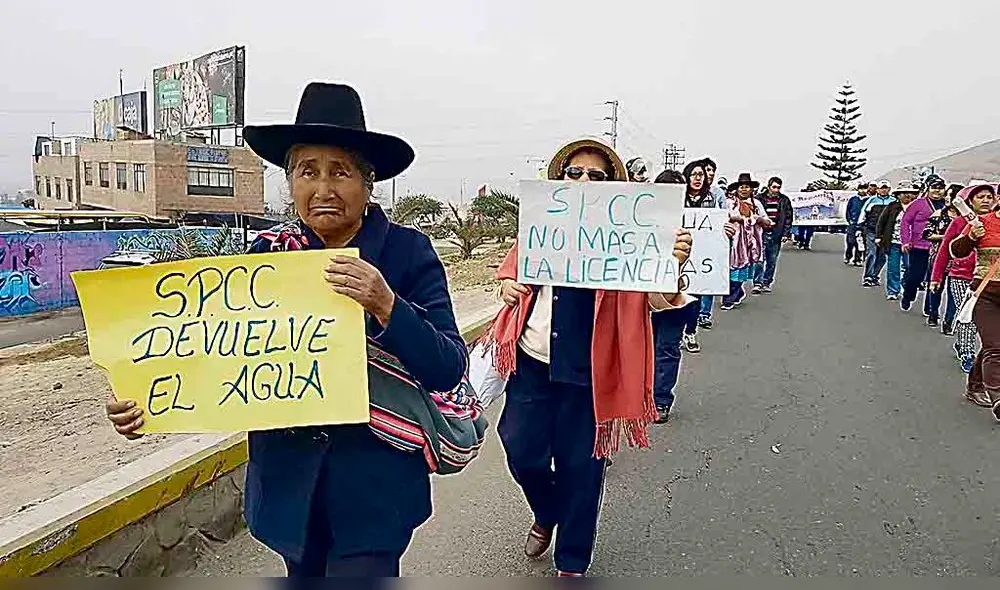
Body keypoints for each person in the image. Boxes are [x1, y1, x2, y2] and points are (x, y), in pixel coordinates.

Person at [107, 83, 472, 578]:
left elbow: (448, 365)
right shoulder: (265, 258)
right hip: (287, 491)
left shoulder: (409, 254)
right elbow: (212, 358)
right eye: (307, 172)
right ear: (291, 182)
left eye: (340, 171)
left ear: (367, 184)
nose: (323, 188)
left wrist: (387, 305)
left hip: (375, 494)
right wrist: (143, 398)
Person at [484, 138, 695, 576]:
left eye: (596, 176)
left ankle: (572, 565)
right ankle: (546, 512)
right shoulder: (540, 225)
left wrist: (670, 262)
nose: (583, 182)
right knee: (521, 451)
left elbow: (657, 299)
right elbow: (510, 276)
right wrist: (507, 289)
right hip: (531, 363)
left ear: (612, 185)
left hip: (592, 374)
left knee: (583, 470)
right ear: (559, 178)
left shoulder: (631, 237)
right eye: (574, 173)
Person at [649, 167, 700, 423]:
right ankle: (641, 396)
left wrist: (724, 237)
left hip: (678, 298)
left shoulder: (697, 222)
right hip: (645, 298)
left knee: (667, 347)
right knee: (645, 348)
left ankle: (660, 400)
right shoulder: (640, 220)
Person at [932, 184, 996, 374]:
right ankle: (967, 352)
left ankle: (974, 350)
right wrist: (936, 277)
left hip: (990, 280)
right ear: (970, 201)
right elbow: (945, 250)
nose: (985, 201)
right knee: (967, 314)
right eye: (980, 197)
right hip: (961, 276)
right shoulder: (960, 223)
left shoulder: (994, 222)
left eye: (989, 197)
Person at [948, 188, 1000, 421]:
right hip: (985, 294)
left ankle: (975, 384)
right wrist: (970, 236)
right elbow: (956, 252)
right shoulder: (982, 223)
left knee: (993, 343)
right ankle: (998, 397)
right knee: (996, 347)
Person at [900, 175, 948, 324]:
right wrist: (905, 241)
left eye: (940, 188)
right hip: (919, 246)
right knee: (915, 276)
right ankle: (908, 295)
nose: (937, 191)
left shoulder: (946, 205)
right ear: (928, 188)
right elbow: (905, 222)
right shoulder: (918, 204)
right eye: (934, 187)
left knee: (935, 279)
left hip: (939, 247)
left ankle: (931, 308)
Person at [721, 173, 772, 310]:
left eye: (747, 187)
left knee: (742, 270)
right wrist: (739, 219)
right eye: (741, 187)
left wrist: (756, 219)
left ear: (751, 189)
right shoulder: (729, 203)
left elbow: (767, 221)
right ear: (737, 189)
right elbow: (725, 217)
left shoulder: (757, 204)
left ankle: (733, 296)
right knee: (731, 269)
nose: (744, 189)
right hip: (732, 240)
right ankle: (731, 296)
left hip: (749, 244)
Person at [918, 176, 956, 330]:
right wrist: (946, 238)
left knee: (954, 291)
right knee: (936, 287)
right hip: (938, 256)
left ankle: (949, 321)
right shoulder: (939, 214)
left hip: (958, 259)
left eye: (951, 195)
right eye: (948, 194)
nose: (947, 197)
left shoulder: (967, 218)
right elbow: (927, 234)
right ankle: (933, 313)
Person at [876, 182, 920, 301]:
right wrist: (879, 236)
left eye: (909, 193)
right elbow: (882, 222)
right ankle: (893, 290)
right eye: (903, 193)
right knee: (893, 267)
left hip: (911, 243)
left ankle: (906, 288)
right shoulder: (892, 207)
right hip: (894, 242)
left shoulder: (917, 207)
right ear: (898, 195)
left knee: (909, 266)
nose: (906, 195)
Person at [752, 176, 793, 294]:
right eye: (774, 187)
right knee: (759, 259)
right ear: (769, 187)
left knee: (772, 260)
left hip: (776, 233)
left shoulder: (784, 200)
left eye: (778, 188)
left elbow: (788, 218)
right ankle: (757, 283)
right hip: (761, 232)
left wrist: (786, 233)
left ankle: (766, 282)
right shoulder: (759, 199)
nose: (776, 190)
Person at [859, 180, 895, 287]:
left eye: (886, 188)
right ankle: (868, 277)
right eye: (881, 188)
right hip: (872, 231)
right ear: (877, 189)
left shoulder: (893, 201)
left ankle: (875, 276)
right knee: (871, 253)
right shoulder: (871, 200)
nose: (883, 190)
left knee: (882, 256)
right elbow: (863, 214)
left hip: (887, 233)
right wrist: (858, 227)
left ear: (889, 189)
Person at [845, 182, 868, 266]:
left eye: (864, 188)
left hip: (863, 224)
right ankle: (848, 256)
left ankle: (857, 259)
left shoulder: (868, 200)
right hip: (853, 224)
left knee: (860, 242)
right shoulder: (853, 199)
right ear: (858, 189)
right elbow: (848, 211)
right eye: (861, 188)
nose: (863, 190)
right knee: (850, 241)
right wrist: (849, 220)